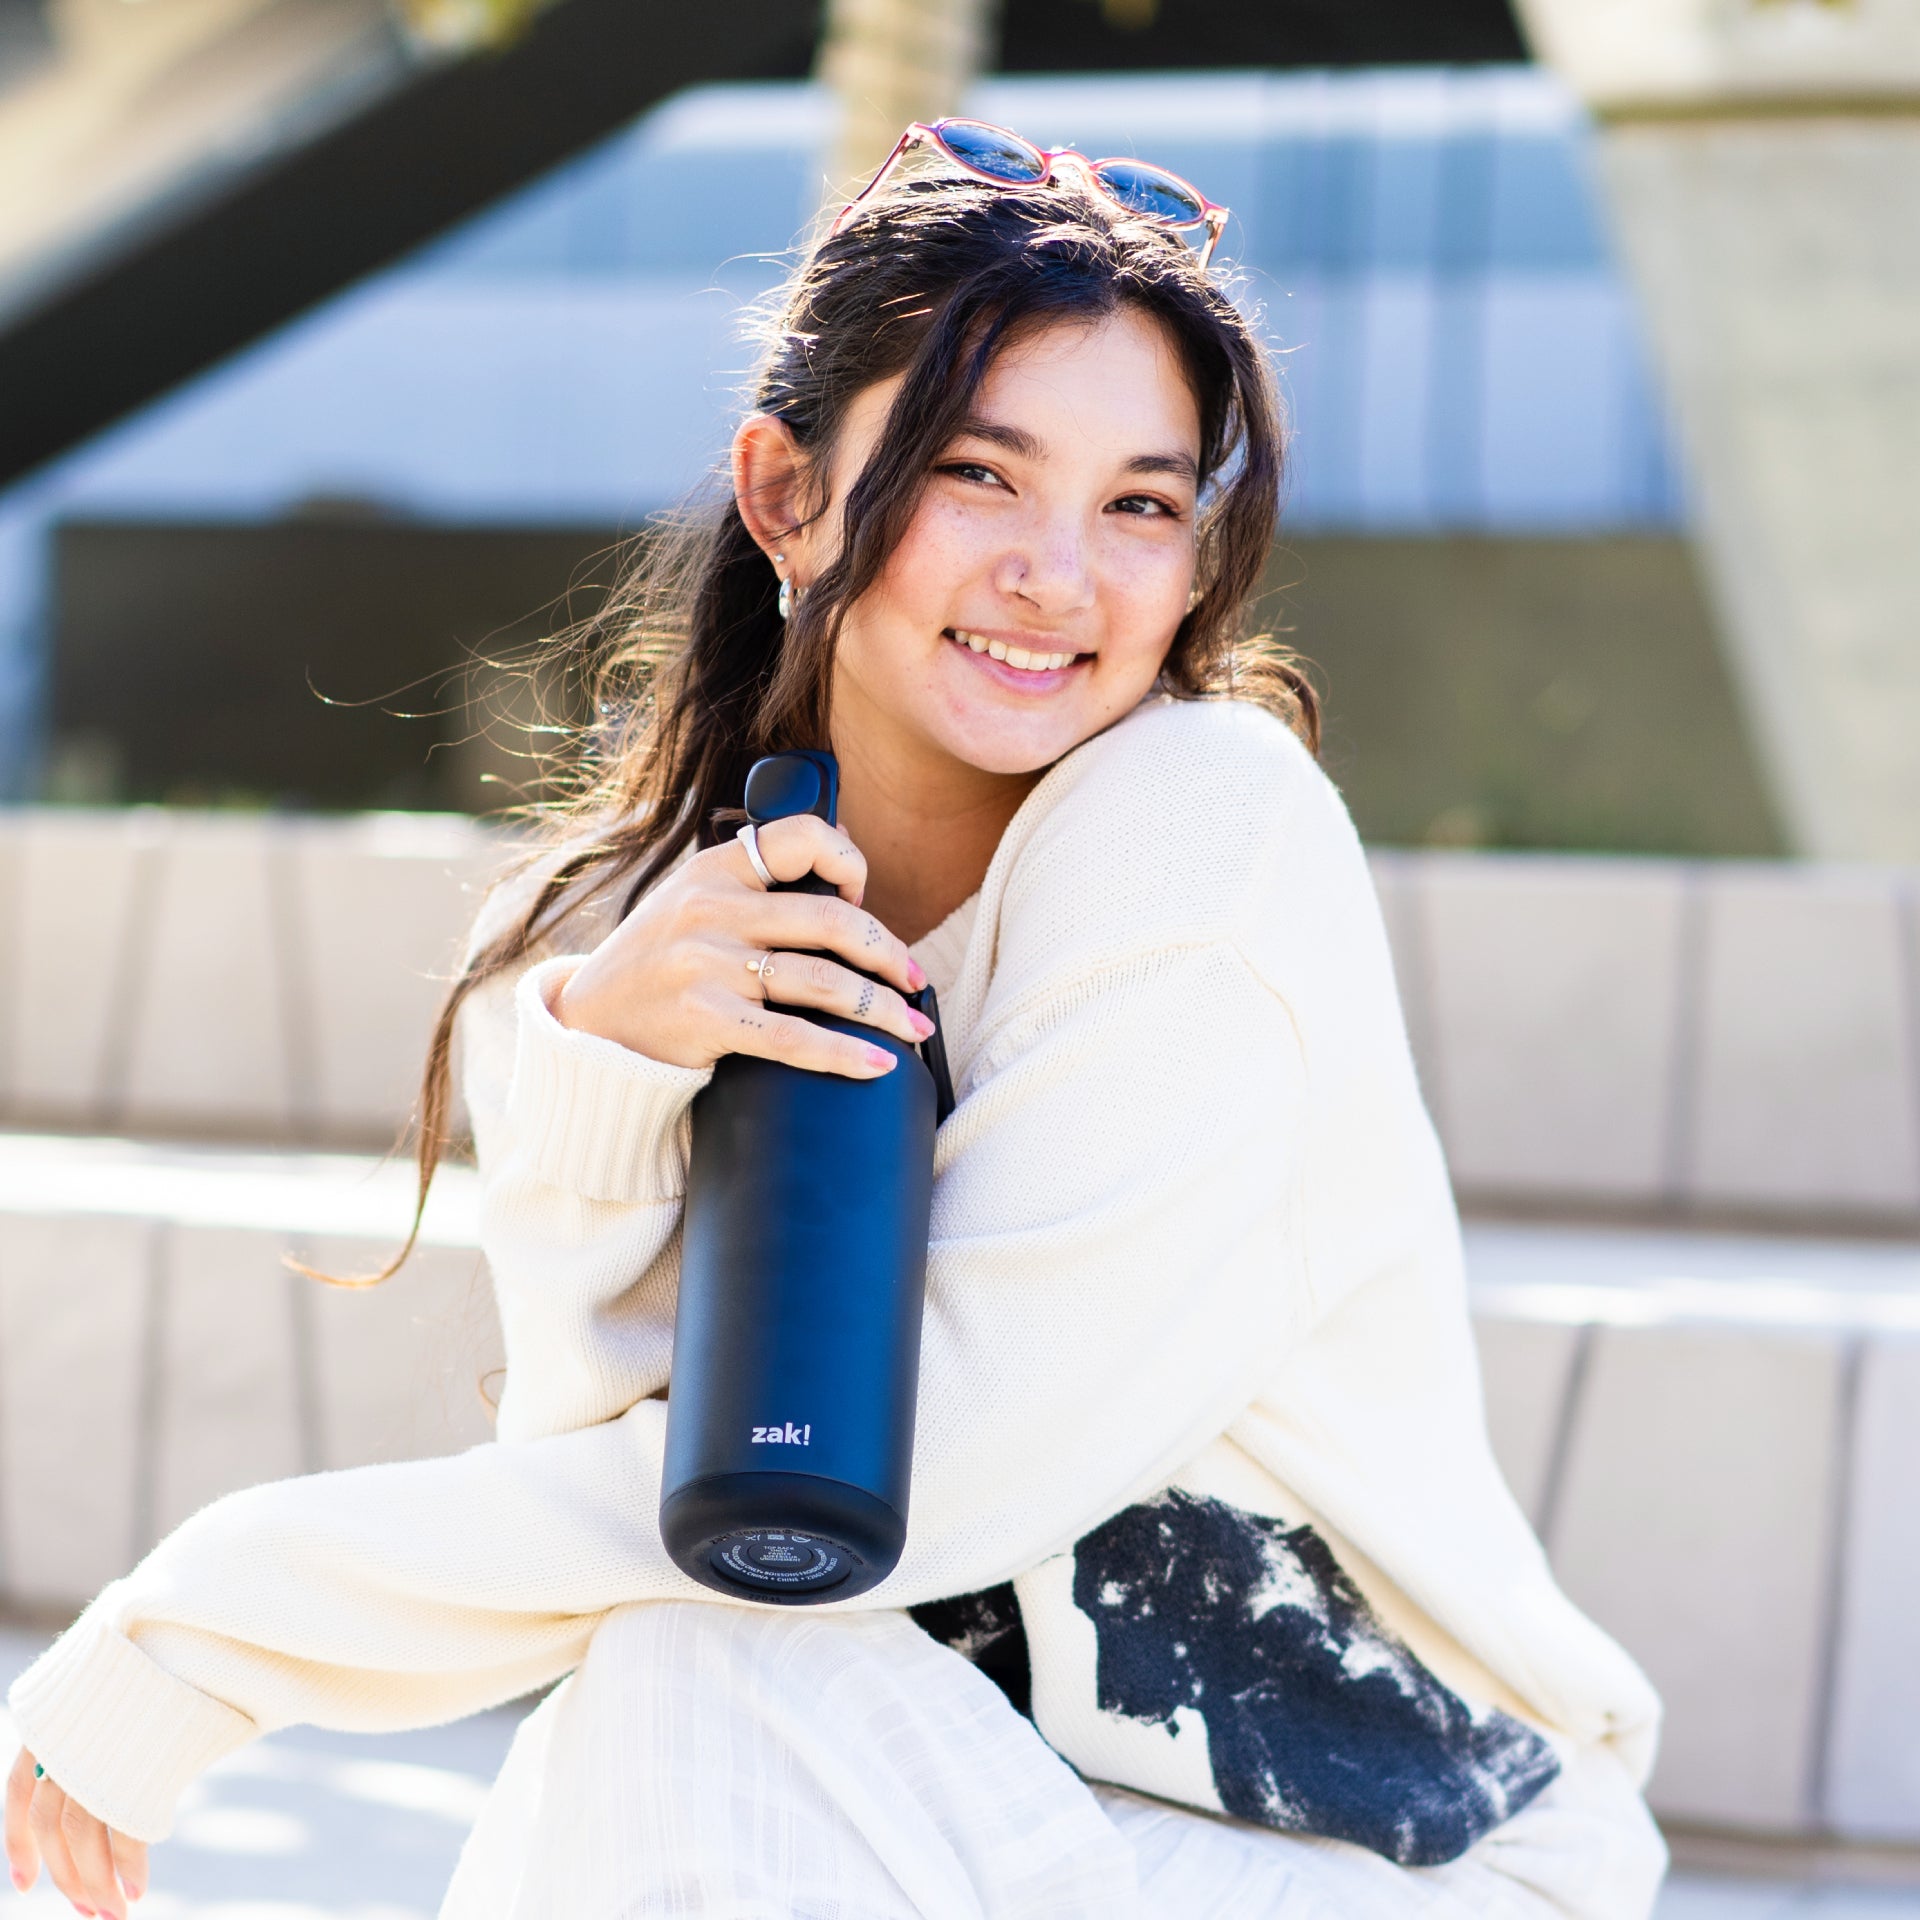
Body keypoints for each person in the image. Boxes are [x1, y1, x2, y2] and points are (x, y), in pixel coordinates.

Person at [2, 119, 1664, 1919]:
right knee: (694, 1667)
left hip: (1386, 1850)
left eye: (1139, 504)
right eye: (979, 475)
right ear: (785, 493)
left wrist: (221, 1616)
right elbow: (651, 1481)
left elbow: (918, 1480)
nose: (1059, 575)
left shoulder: (1206, 830)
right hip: (945, 1788)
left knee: (716, 1669)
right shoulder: (621, 932)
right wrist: (607, 1075)